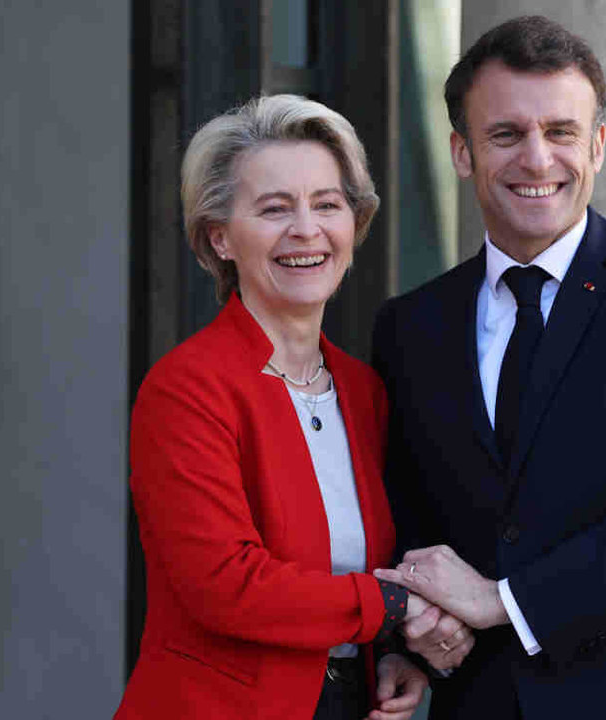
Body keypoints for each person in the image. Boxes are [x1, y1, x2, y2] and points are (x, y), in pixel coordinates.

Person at [372, 15, 606, 720]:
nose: (536, 158)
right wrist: (408, 637)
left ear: (598, 146)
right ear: (461, 152)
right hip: (483, 702)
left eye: (560, 132)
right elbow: (408, 520)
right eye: (505, 135)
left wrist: (505, 602)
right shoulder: (410, 326)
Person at [114, 94, 472, 720]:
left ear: (353, 226)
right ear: (220, 236)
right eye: (275, 209)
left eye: (327, 204)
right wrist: (394, 606)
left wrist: (394, 651)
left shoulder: (364, 390)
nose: (306, 229)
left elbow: (359, 562)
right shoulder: (187, 388)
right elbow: (226, 587)